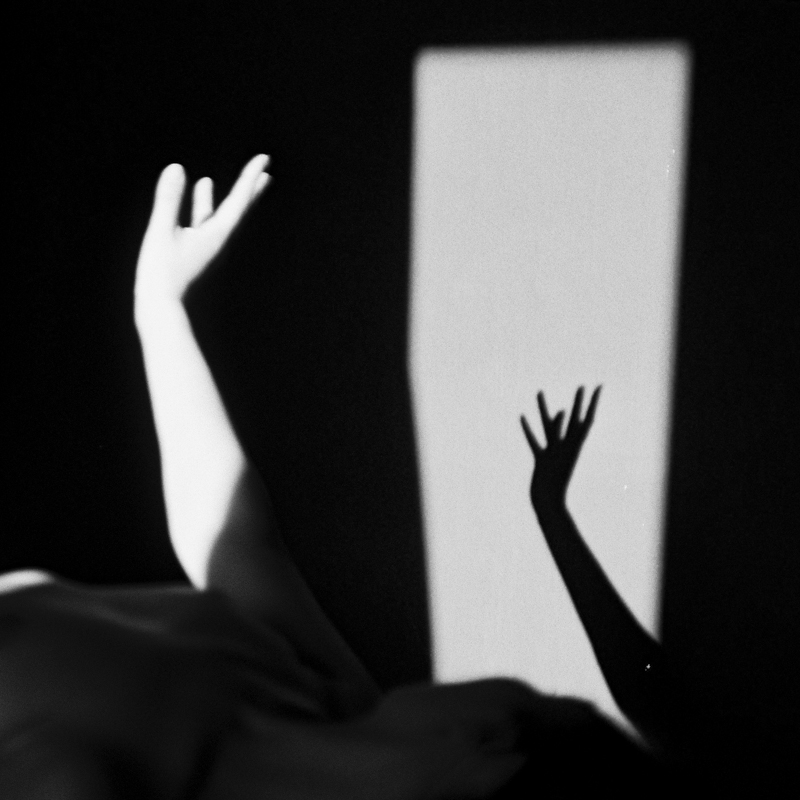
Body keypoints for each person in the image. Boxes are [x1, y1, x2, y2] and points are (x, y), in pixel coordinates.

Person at [0, 156, 662, 799]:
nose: (508, 685)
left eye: (535, 700)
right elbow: (236, 540)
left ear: (492, 740)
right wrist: (160, 310)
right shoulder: (332, 700)